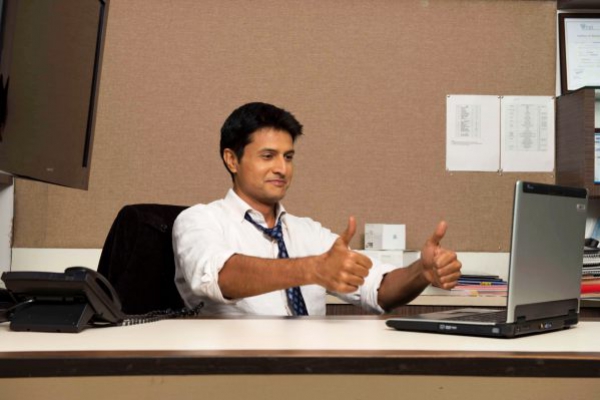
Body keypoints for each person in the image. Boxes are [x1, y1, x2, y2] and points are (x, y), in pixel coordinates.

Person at [173, 102, 462, 315]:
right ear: (232, 160)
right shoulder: (198, 220)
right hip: (237, 371)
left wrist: (421, 272)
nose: (282, 168)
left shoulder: (308, 232)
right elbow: (219, 277)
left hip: (312, 368)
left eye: (288, 157)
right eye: (268, 156)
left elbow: (379, 290)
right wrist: (313, 269)